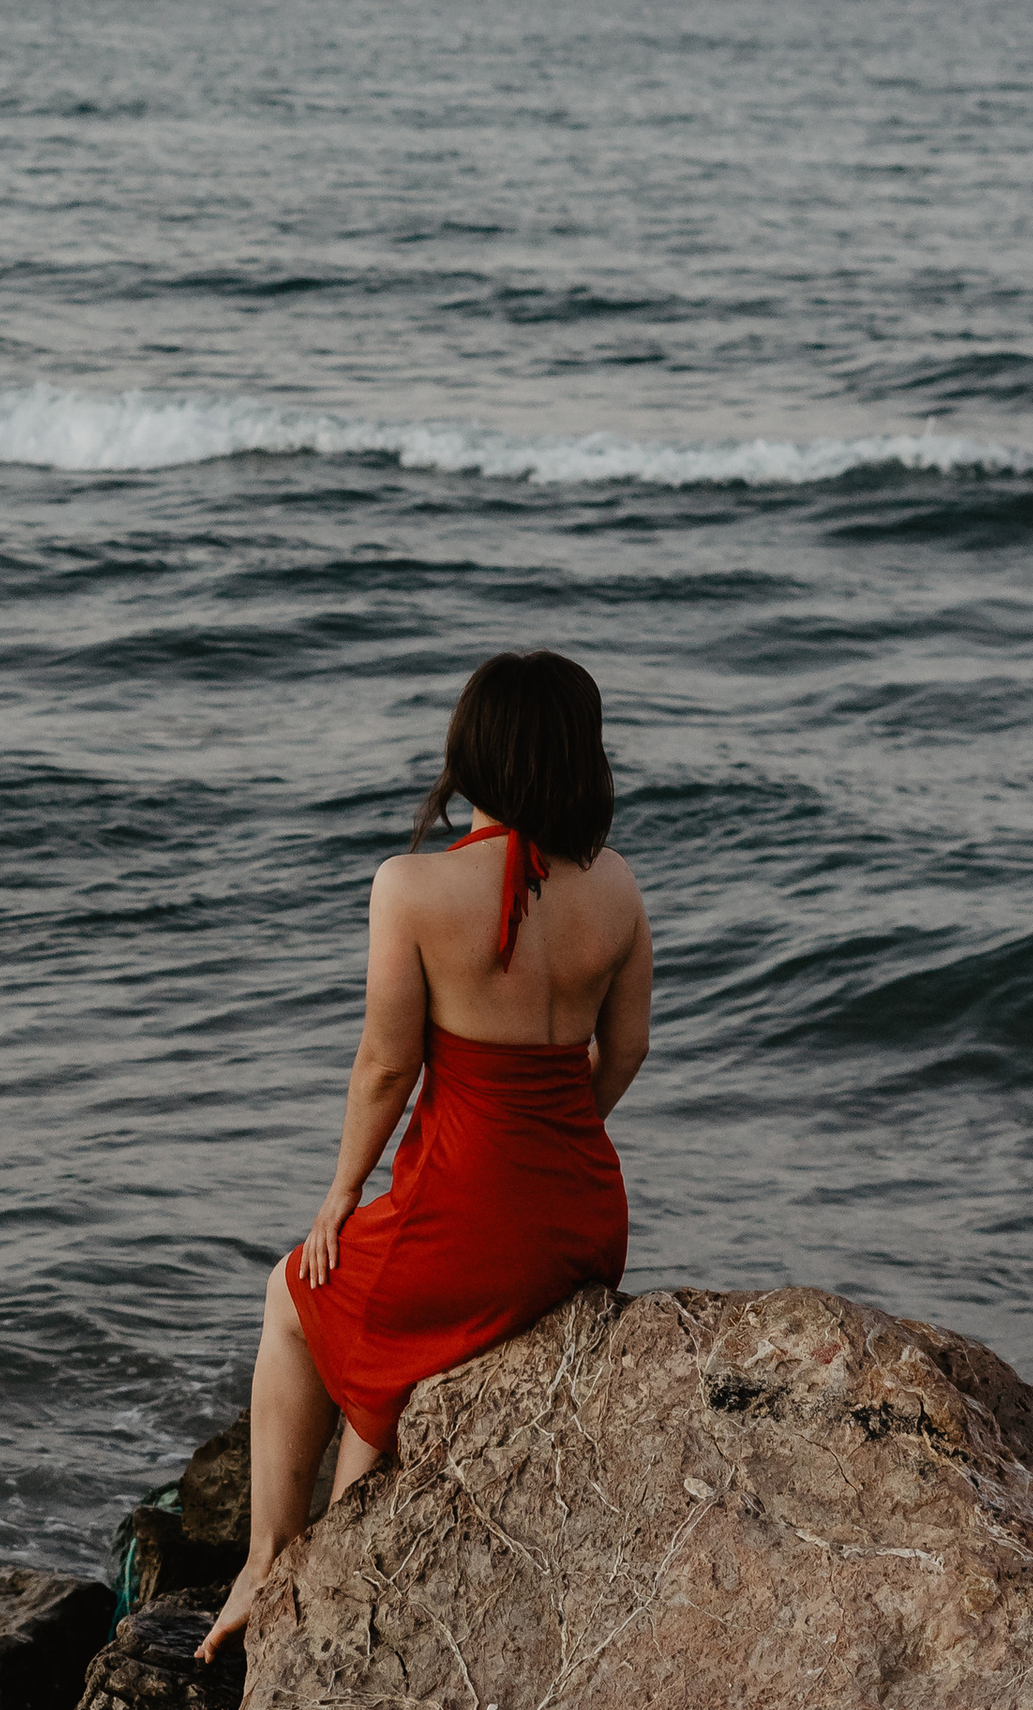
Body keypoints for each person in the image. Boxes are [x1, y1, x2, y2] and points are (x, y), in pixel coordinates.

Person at [196, 650, 652, 1660]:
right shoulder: (615, 886)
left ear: (471, 752)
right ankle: (345, 1568)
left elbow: (383, 1065)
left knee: (291, 1290)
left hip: (466, 1213)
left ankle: (267, 1559)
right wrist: (555, 1136)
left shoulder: (410, 886)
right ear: (583, 757)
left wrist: (341, 1191)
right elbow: (626, 1051)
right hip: (582, 1215)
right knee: (381, 1384)